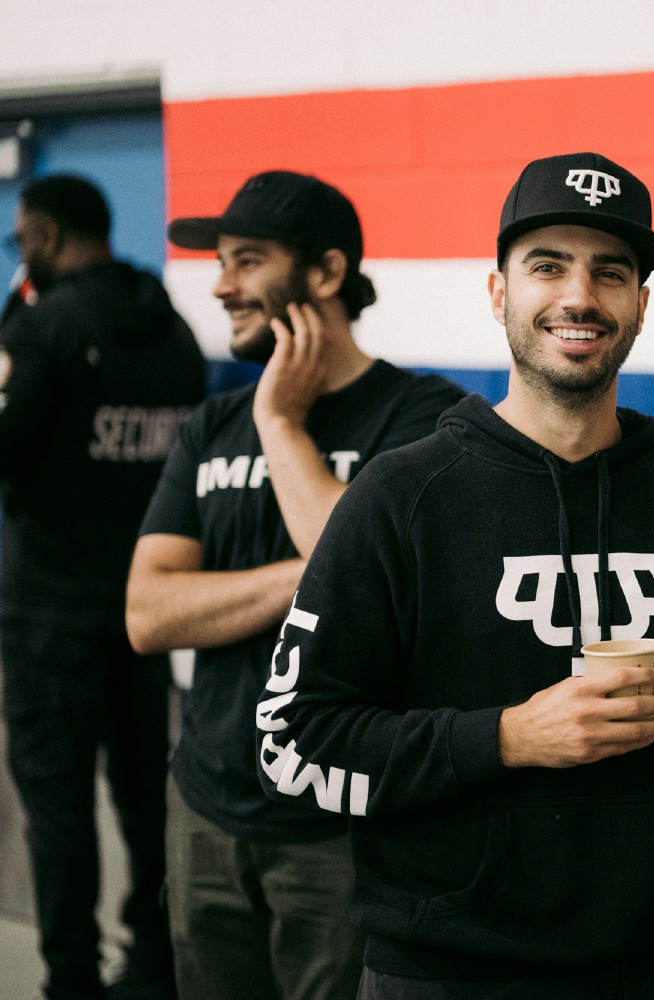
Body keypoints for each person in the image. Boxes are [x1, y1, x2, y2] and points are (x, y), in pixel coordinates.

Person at [251, 151, 654, 1000]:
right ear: (499, 292)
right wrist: (506, 737)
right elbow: (294, 743)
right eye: (548, 266)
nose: (580, 296)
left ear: (640, 306)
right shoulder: (400, 498)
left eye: (609, 273)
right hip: (444, 971)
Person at [124, 170, 465, 1000]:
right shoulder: (211, 424)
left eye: (246, 261)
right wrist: (309, 575)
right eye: (221, 262)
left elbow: (368, 585)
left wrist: (281, 422)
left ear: (324, 273)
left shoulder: (425, 422)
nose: (221, 284)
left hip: (343, 829)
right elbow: (147, 613)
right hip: (205, 811)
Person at [0, 174, 205, 1000]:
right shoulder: (174, 330)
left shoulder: (45, 327)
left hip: (49, 610)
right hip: (143, 609)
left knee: (56, 804)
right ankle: (153, 966)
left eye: (22, 239)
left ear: (46, 236)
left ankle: (72, 980)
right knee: (142, 791)